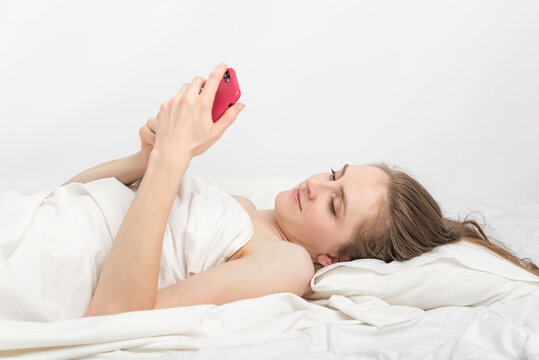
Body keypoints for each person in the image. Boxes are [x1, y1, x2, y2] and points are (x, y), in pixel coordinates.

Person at [77, 62, 538, 318]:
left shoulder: (288, 264)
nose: (316, 185)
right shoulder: (242, 208)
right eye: (334, 174)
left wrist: (175, 160)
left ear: (332, 260)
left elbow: (118, 313)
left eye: (335, 204)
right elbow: (67, 200)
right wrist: (151, 157)